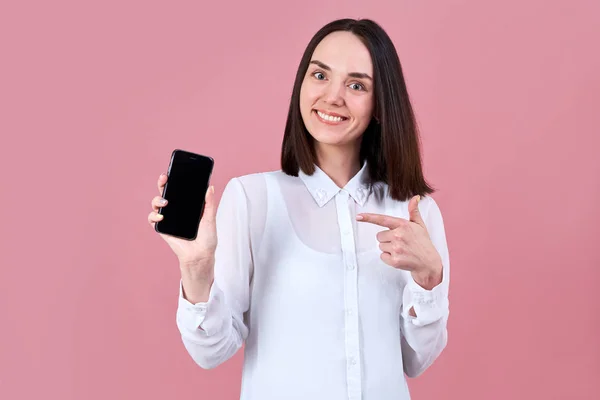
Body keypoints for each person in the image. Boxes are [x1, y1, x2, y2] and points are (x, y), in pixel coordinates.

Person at [148, 18, 450, 400]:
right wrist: (196, 268)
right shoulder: (252, 199)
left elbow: (416, 360)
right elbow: (211, 352)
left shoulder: (414, 213)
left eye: (356, 85)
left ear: (379, 105)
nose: (333, 97)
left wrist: (429, 279)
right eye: (320, 76)